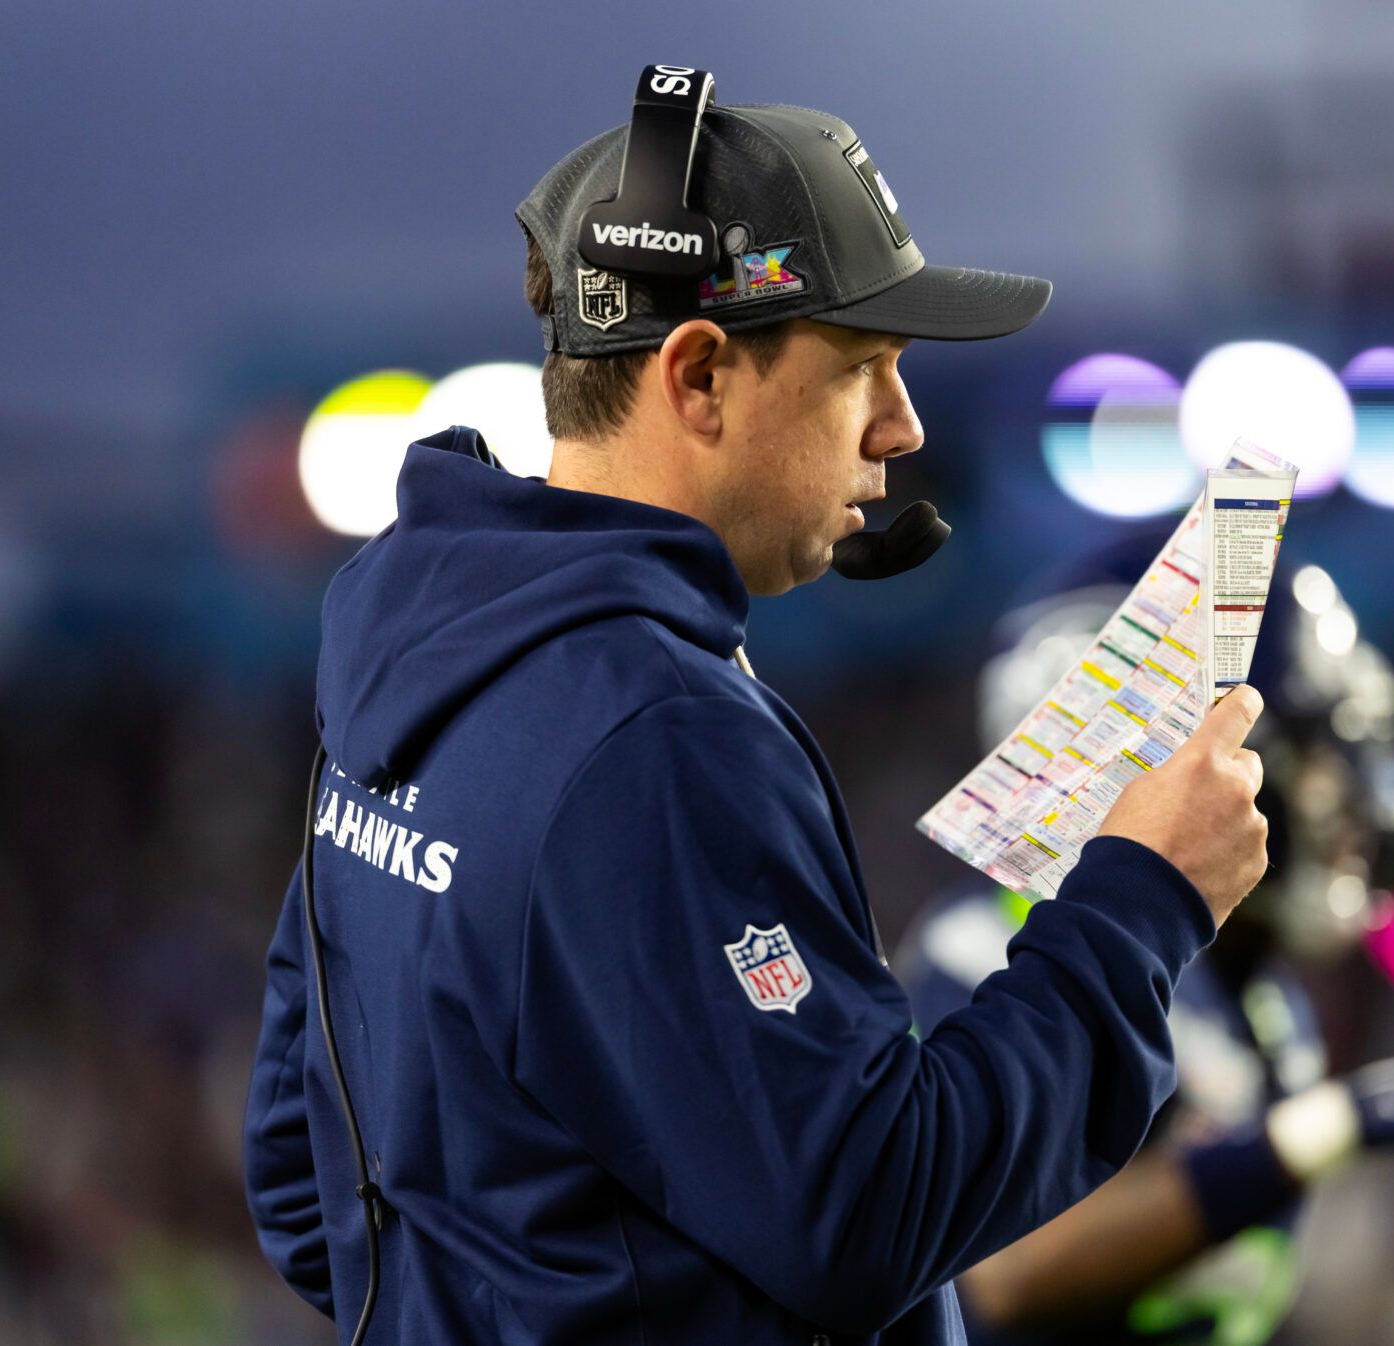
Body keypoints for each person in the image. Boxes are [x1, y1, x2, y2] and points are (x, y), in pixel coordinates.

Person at [242, 73, 1271, 1345]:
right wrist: (1145, 899)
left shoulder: (413, 647)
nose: (900, 429)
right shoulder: (654, 734)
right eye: (865, 368)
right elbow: (869, 1210)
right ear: (701, 374)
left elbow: (305, 1188)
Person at [897, 558, 1394, 1344]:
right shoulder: (985, 950)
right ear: (1155, 753)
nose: (1359, 799)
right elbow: (1005, 1272)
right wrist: (1342, 1122)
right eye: (1311, 753)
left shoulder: (1271, 1008)